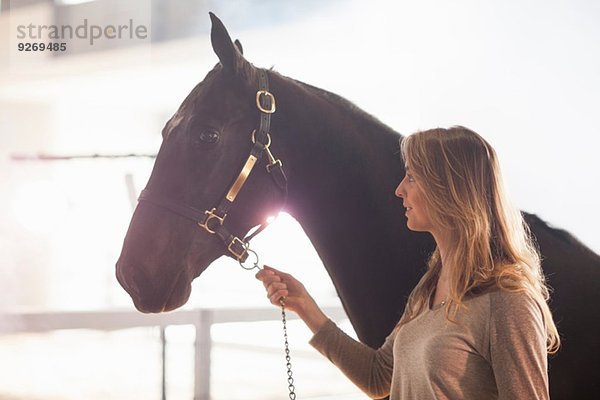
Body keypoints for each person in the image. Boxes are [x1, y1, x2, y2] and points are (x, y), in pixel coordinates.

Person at [256, 126, 560, 400]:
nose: (399, 189)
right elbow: (378, 377)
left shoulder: (508, 303)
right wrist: (305, 306)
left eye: (412, 177)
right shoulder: (428, 289)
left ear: (450, 189)